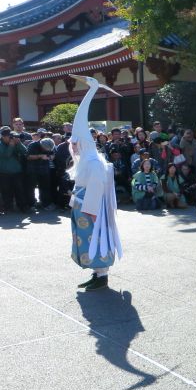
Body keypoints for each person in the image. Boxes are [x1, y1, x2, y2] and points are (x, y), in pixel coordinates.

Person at [67, 76, 123, 291]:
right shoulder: (84, 161)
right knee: (86, 239)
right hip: (82, 206)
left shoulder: (94, 162)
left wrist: (89, 210)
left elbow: (96, 190)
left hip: (93, 210)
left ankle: (102, 275)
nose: (72, 147)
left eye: (75, 143)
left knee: (96, 237)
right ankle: (96, 273)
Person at [0, 127, 28, 214]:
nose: (11, 138)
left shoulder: (15, 142)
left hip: (17, 172)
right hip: (4, 172)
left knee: (19, 190)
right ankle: (8, 207)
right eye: (9, 137)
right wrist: (11, 145)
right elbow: (6, 155)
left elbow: (25, 152)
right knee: (6, 191)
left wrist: (18, 143)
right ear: (3, 137)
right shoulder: (0, 144)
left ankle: (22, 207)